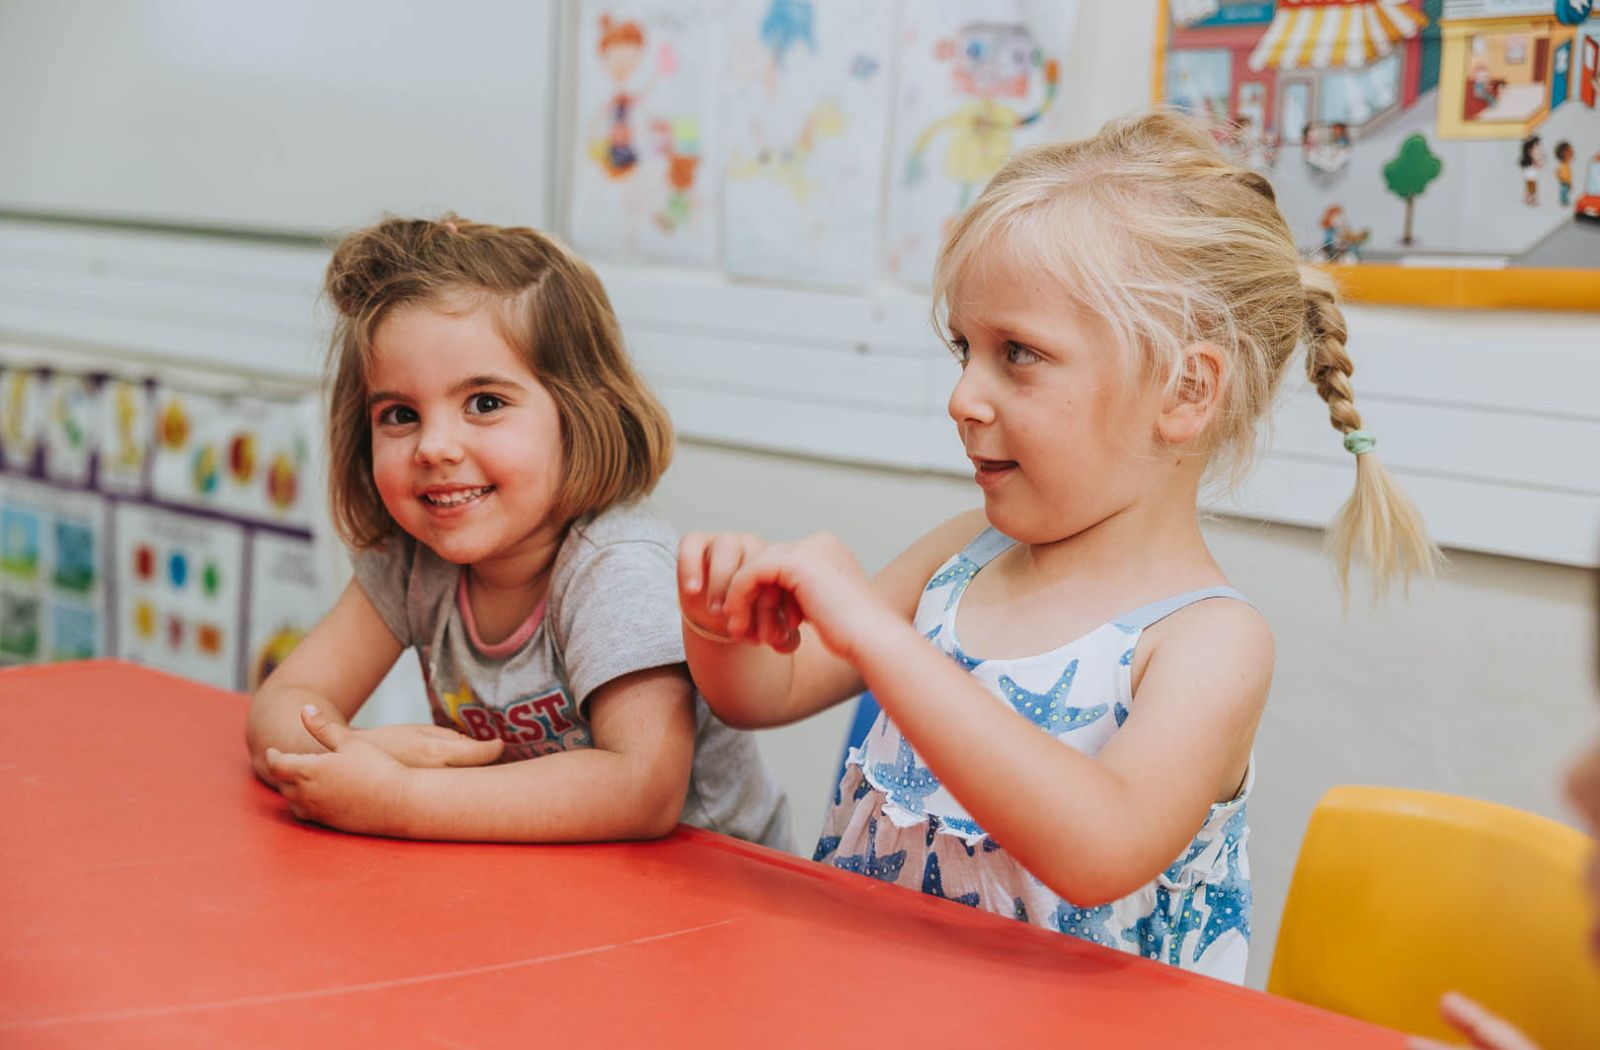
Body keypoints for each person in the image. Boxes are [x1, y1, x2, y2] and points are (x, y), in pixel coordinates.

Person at [677, 111, 1438, 983]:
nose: (963, 397)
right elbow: (763, 692)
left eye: (1019, 353)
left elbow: (1099, 845)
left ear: (1185, 392)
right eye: (964, 348)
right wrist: (721, 624)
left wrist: (878, 637)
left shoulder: (1208, 642)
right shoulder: (963, 556)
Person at [246, 216, 790, 850]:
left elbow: (642, 787)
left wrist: (401, 798)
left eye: (484, 403)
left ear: (581, 413)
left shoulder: (617, 568)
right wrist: (357, 752)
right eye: (400, 414)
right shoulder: (413, 561)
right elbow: (283, 704)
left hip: (709, 888)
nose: (434, 446)